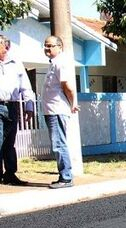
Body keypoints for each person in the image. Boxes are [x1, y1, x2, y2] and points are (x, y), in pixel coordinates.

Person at [42, 35, 80, 188]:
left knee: (59, 144)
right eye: (45, 45)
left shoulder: (60, 63)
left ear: (59, 47)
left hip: (57, 110)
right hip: (51, 110)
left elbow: (67, 87)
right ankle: (64, 176)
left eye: (50, 46)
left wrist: (73, 104)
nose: (47, 48)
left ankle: (66, 177)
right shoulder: (54, 63)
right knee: (57, 143)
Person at [0, 34, 35, 186]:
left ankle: (10, 174)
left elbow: (25, 86)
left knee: (9, 142)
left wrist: (29, 106)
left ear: (6, 47)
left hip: (12, 106)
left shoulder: (16, 63)